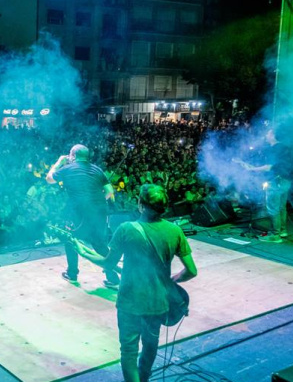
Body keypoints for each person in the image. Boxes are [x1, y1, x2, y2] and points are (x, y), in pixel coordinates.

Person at [73, 185, 198, 382]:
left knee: (129, 352)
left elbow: (108, 263)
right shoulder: (175, 230)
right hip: (158, 303)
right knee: (150, 346)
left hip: (130, 303)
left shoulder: (126, 229)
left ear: (140, 205)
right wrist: (172, 280)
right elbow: (191, 271)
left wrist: (83, 252)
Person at [46, 144, 119, 288]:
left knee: (71, 240)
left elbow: (49, 179)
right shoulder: (96, 169)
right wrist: (97, 201)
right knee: (99, 244)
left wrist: (59, 162)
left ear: (72, 156)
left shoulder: (67, 168)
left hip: (80, 212)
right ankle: (113, 278)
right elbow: (110, 191)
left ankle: (72, 273)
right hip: (100, 211)